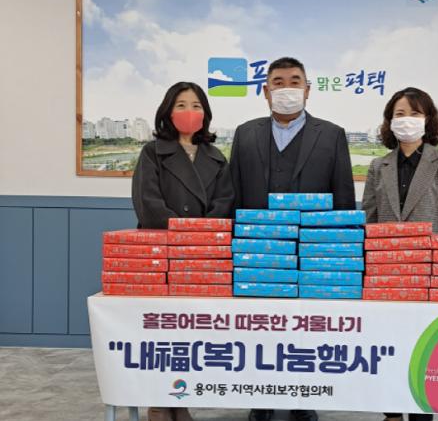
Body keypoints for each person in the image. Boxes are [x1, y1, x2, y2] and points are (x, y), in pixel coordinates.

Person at [229, 57, 356, 421]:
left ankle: (303, 398)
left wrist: (339, 253)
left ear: (308, 90)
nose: (287, 89)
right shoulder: (245, 133)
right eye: (279, 82)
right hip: (258, 252)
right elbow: (234, 192)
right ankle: (261, 398)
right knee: (260, 328)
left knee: (305, 330)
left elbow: (343, 196)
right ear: (265, 91)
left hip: (311, 252)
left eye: (295, 81)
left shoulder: (331, 134)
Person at [132, 81, 234, 421]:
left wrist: (200, 236)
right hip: (163, 254)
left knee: (190, 334)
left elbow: (225, 202)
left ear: (205, 114)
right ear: (167, 111)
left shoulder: (217, 158)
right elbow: (148, 203)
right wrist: (183, 232)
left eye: (196, 105)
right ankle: (159, 401)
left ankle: (180, 399)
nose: (189, 112)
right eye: (181, 105)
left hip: (202, 256)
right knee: (161, 333)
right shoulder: (153, 153)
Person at [362, 87, 438, 421]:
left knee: (423, 349)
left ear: (428, 119)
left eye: (415, 113)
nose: (407, 120)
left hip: (428, 272)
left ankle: (422, 413)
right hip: (386, 271)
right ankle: (391, 414)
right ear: (389, 121)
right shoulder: (378, 166)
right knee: (388, 348)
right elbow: (368, 219)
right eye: (400, 114)